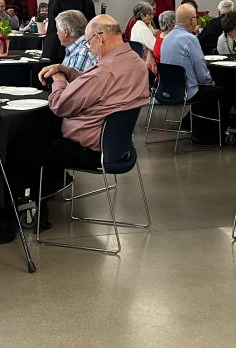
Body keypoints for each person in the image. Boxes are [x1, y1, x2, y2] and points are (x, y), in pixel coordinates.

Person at [24, 15, 148, 228]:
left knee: (28, 147)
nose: (89, 48)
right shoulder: (134, 61)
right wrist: (67, 71)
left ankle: (32, 212)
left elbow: (59, 105)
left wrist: (58, 79)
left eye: (89, 42)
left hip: (90, 149)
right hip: (119, 147)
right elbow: (92, 85)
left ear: (99, 38)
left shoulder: (105, 71)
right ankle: (51, 188)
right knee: (47, 139)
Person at [161, 3, 228, 144]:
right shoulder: (190, 39)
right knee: (224, 91)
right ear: (192, 21)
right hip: (187, 92)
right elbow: (202, 74)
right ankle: (214, 135)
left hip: (168, 90)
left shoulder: (166, 38)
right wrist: (212, 84)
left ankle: (193, 125)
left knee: (204, 88)